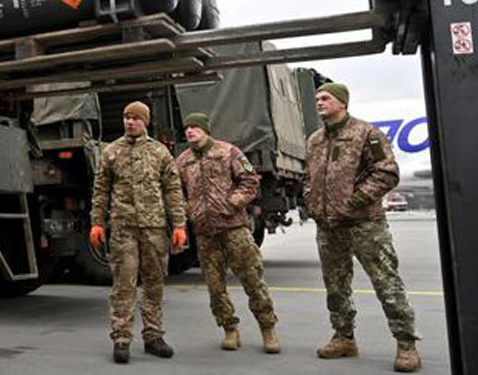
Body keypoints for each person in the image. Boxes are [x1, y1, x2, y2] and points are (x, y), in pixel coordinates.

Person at [306, 83, 421, 372]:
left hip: (364, 224)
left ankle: (406, 344)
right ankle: (344, 337)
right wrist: (310, 198)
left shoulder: (366, 133)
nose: (319, 102)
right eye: (317, 98)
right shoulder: (315, 139)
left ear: (342, 103)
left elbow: (387, 172)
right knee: (335, 285)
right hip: (329, 226)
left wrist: (355, 201)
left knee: (386, 283)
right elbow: (309, 176)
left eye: (326, 98)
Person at [89, 100, 188, 364]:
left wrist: (179, 225)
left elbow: (173, 190)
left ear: (145, 121)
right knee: (124, 284)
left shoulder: (160, 153)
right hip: (123, 228)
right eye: (126, 117)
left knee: (154, 284)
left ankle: (153, 336)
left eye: (135, 118)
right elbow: (100, 191)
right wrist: (97, 222)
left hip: (154, 228)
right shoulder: (111, 152)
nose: (130, 122)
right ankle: (121, 338)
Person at [175, 112, 280, 353]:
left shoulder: (228, 151)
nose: (190, 131)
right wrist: (188, 209)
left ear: (205, 129)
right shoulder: (183, 161)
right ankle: (230, 329)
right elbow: (175, 192)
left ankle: (268, 329)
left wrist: (232, 203)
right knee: (215, 287)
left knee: (253, 280)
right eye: (187, 128)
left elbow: (250, 181)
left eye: (195, 127)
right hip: (205, 233)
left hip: (234, 229)